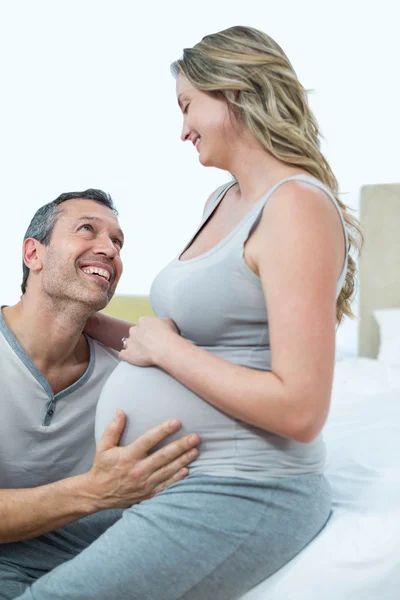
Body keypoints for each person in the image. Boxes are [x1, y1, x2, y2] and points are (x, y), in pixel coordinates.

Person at [15, 25, 363, 600]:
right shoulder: (221, 201)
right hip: (177, 481)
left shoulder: (295, 206)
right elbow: (199, 343)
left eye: (186, 106)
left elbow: (301, 410)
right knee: (11, 553)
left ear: (231, 91)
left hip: (247, 489)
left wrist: (166, 349)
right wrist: (72, 314)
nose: (181, 130)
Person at [0, 189, 200, 600]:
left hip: (103, 562)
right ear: (33, 255)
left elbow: (217, 360)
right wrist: (95, 490)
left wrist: (101, 326)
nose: (108, 249)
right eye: (87, 229)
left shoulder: (126, 368)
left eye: (117, 242)